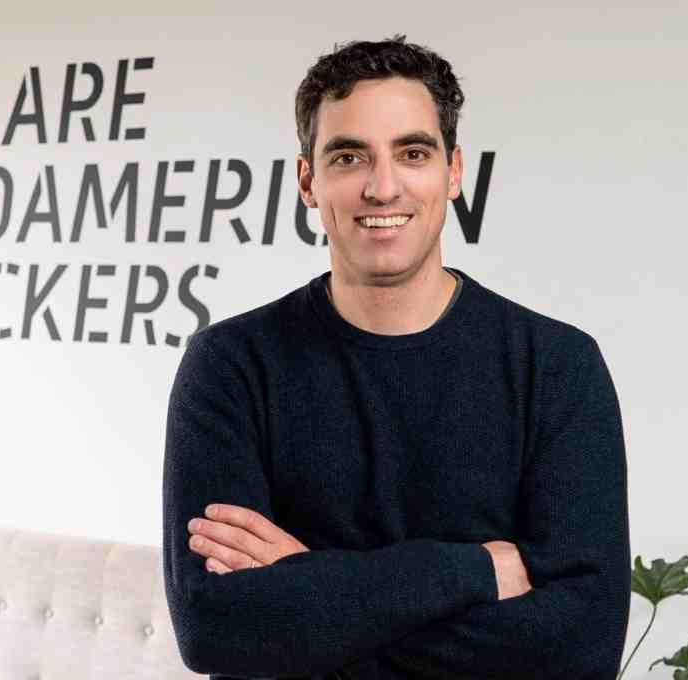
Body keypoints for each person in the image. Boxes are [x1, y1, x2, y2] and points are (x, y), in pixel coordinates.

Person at [162, 35, 631, 679]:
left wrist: (311, 594)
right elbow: (215, 629)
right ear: (307, 180)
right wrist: (472, 570)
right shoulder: (230, 365)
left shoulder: (557, 367)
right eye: (349, 157)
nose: (383, 188)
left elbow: (583, 649)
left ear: (453, 172)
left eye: (412, 153)